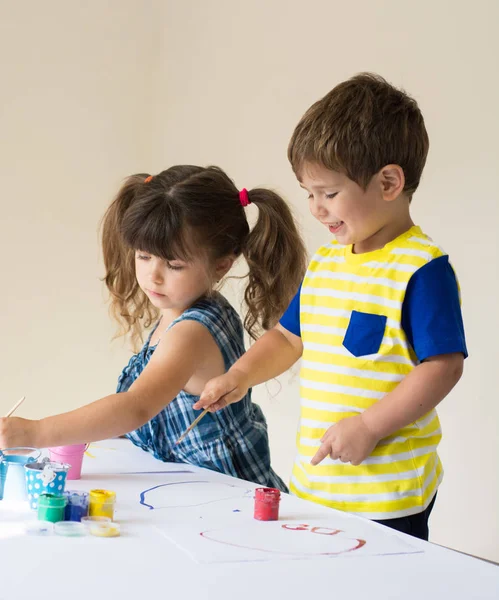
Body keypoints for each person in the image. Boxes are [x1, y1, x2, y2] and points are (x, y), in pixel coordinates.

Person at [194, 74, 468, 539]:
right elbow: (287, 337)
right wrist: (238, 376)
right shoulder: (326, 263)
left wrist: (369, 425)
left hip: (387, 495)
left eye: (329, 193)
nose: (316, 209)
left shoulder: (421, 269)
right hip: (317, 485)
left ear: (388, 182)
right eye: (309, 194)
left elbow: (443, 366)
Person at [0, 165, 307, 490]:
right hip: (187, 487)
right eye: (144, 256)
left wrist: (35, 432)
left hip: (232, 496)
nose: (153, 276)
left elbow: (137, 406)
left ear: (221, 265)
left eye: (174, 265)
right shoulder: (176, 311)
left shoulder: (193, 331)